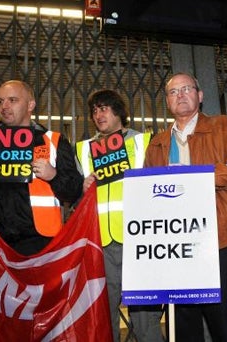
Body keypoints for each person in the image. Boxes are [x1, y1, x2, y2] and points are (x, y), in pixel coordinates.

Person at [144, 72, 227, 342]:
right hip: (175, 248)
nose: (180, 95)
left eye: (186, 89)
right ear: (167, 101)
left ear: (200, 95)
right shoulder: (157, 144)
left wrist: (199, 176)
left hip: (216, 242)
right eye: (173, 92)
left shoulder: (225, 128)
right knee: (182, 327)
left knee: (225, 326)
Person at [75, 89, 163, 342]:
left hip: (139, 240)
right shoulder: (85, 150)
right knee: (104, 312)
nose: (98, 115)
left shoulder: (142, 143)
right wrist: (82, 187)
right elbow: (74, 196)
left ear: (119, 112)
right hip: (101, 243)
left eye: (104, 108)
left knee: (145, 315)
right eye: (94, 111)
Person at [0, 80, 83, 255]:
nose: (4, 106)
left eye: (12, 100)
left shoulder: (53, 141)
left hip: (40, 242)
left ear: (31, 105)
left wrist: (53, 176)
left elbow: (74, 191)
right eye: (0, 101)